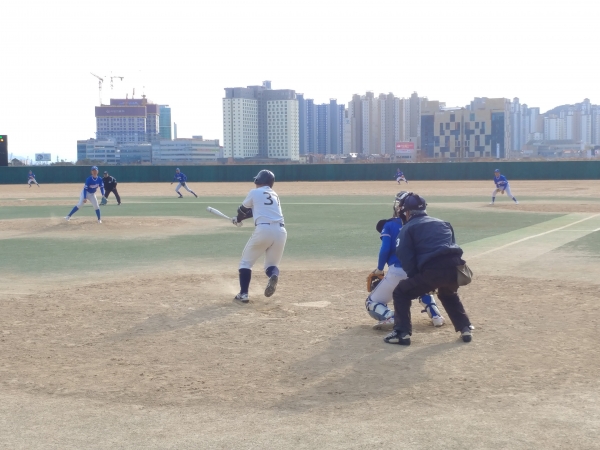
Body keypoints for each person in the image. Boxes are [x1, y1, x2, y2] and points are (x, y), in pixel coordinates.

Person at [385, 192, 473, 346]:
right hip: (456, 268)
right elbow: (452, 245)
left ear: (407, 212)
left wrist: (417, 278)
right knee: (448, 293)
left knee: (401, 292)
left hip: (433, 270)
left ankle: (401, 333)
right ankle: (465, 328)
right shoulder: (443, 223)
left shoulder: (407, 229)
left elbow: (405, 256)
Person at [366, 192, 445, 330]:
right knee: (422, 289)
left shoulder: (390, 224)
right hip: (419, 270)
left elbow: (385, 249)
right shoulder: (421, 224)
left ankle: (389, 316)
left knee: (371, 302)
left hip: (397, 271)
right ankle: (435, 315)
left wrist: (379, 268)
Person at [232, 170, 287, 303]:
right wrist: (240, 218)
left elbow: (243, 210)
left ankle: (243, 294)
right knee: (271, 265)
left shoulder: (254, 192)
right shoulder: (274, 194)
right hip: (281, 231)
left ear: (258, 181)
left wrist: (238, 219)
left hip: (264, 230)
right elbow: (256, 210)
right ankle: (273, 275)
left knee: (246, 263)